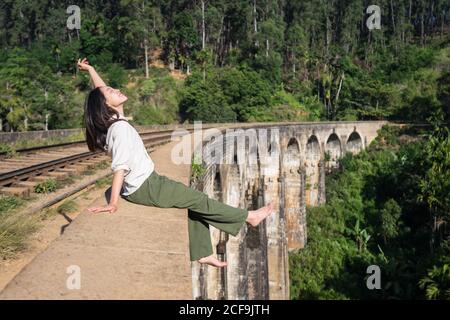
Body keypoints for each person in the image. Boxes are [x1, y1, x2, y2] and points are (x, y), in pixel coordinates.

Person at [77, 58, 274, 268]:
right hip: (147, 186)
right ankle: (249, 217)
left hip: (146, 183)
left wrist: (91, 70)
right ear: (106, 105)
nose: (116, 89)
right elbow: (120, 168)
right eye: (111, 91)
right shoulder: (121, 130)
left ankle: (203, 252)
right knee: (199, 200)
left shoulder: (114, 123)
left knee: (194, 200)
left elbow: (99, 91)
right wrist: (113, 203)